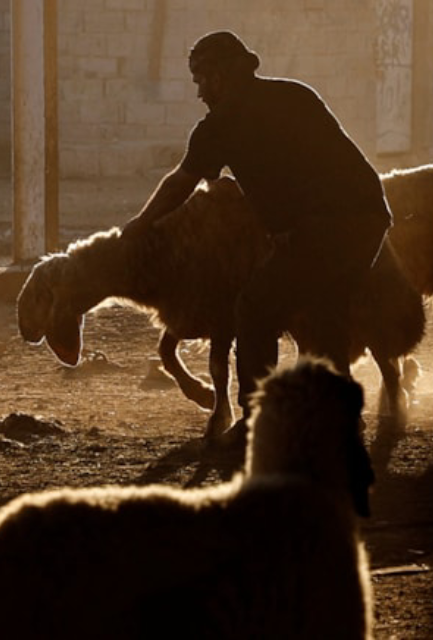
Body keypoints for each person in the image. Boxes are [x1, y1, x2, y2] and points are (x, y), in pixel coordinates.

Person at [128, 31, 393, 441]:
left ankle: (257, 420)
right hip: (369, 218)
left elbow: (181, 182)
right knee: (324, 312)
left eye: (201, 79)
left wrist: (140, 224)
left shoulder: (221, 126)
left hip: (325, 225)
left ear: (219, 75)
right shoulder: (295, 95)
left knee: (254, 307)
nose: (199, 91)